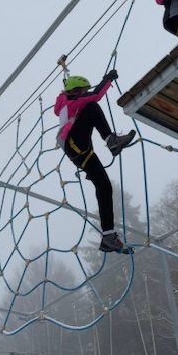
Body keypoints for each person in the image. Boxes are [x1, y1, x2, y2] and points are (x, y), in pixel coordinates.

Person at [54, 70, 136, 253]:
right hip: (74, 144)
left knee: (104, 186)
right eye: (83, 90)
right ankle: (111, 141)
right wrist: (108, 79)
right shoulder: (70, 101)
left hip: (81, 152)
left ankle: (108, 237)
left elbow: (91, 95)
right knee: (92, 107)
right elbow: (96, 95)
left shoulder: (71, 102)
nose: (86, 93)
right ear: (76, 91)